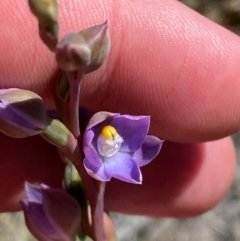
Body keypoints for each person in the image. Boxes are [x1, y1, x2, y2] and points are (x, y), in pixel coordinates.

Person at [0, 0, 238, 217]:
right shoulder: (92, 160)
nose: (111, 138)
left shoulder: (112, 161)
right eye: (108, 132)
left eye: (110, 133)